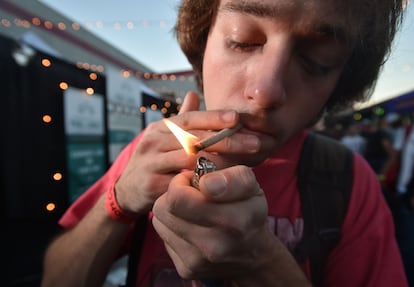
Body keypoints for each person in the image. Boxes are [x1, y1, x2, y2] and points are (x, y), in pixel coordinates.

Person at [41, 0, 409, 286]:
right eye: (242, 40)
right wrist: (117, 204)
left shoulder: (346, 181)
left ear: (341, 81)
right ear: (203, 41)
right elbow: (55, 279)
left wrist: (263, 265)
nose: (265, 91)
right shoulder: (154, 152)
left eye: (316, 61)